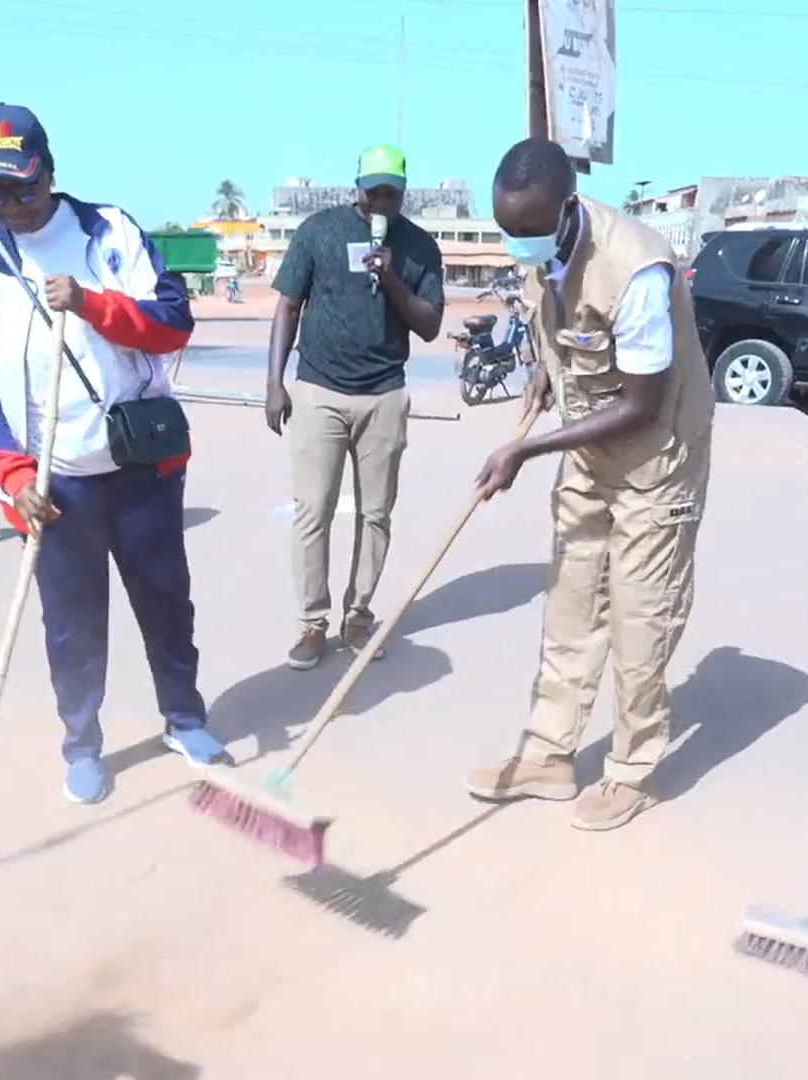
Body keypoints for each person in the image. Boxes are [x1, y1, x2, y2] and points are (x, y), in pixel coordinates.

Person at [0, 102, 224, 804]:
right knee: (72, 629)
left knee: (166, 603)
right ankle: (82, 744)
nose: (14, 205)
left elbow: (172, 324)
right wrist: (12, 475)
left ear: (49, 171)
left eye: (23, 187)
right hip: (54, 485)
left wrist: (95, 304)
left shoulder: (111, 232)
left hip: (140, 468)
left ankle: (184, 719)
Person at [461, 138, 714, 833]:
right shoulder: (540, 250)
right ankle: (548, 755)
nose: (518, 242)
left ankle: (631, 771)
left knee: (640, 618)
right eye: (507, 228)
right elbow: (565, 332)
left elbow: (642, 405)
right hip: (588, 450)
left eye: (529, 229)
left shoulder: (637, 270)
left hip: (656, 458)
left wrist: (526, 448)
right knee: (571, 605)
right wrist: (546, 374)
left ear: (568, 208)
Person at [264, 143, 445, 669]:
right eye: (373, 191)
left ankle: (359, 616)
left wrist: (390, 276)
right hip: (319, 390)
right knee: (312, 510)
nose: (381, 201)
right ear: (357, 187)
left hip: (384, 393)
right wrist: (274, 384)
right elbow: (288, 306)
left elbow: (430, 324)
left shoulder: (419, 247)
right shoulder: (318, 231)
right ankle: (312, 623)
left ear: (403, 193)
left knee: (376, 513)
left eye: (391, 193)